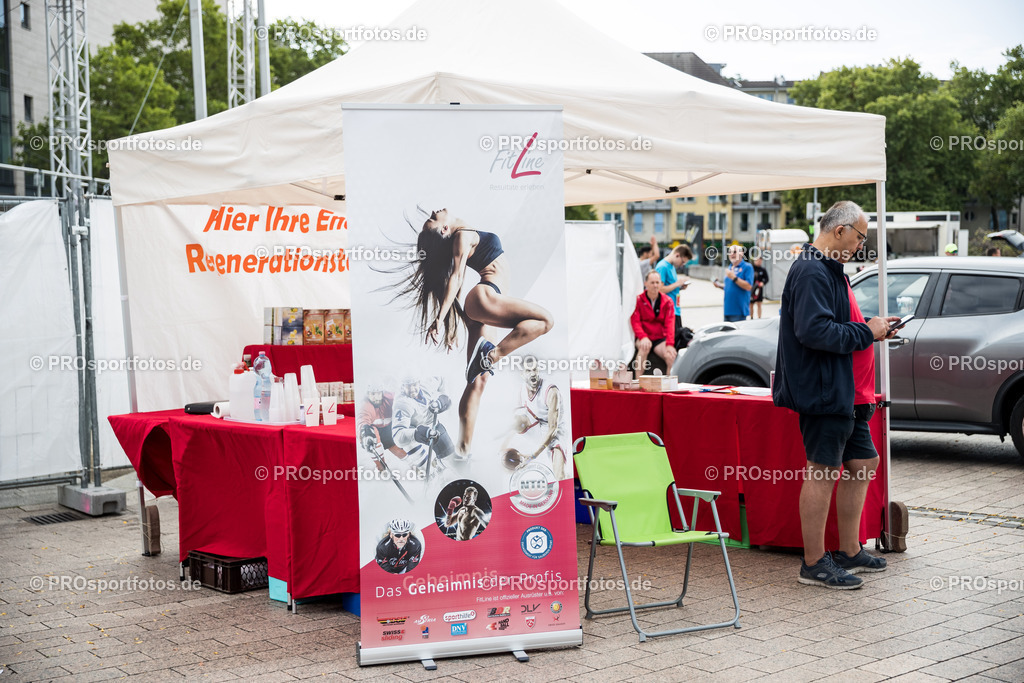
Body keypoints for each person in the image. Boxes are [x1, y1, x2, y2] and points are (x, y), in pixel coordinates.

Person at [773, 200, 900, 590]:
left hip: (848, 393)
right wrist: (868, 332)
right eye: (860, 236)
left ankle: (848, 550)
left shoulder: (829, 269)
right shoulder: (812, 269)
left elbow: (836, 325)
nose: (861, 245)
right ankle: (813, 563)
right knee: (823, 471)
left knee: (863, 463)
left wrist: (871, 328)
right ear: (840, 230)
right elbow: (815, 332)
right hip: (826, 392)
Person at [390, 208, 554, 458]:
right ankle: (491, 355)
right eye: (434, 219)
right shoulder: (462, 236)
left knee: (477, 381)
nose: (435, 211)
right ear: (445, 229)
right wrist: (440, 319)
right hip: (485, 297)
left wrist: (453, 323)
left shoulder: (461, 239)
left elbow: (458, 278)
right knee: (545, 320)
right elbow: (456, 278)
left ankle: (462, 451)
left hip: (481, 303)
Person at [508, 360, 569, 479]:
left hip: (555, 430)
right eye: (528, 370)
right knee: (513, 420)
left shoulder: (551, 391)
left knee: (560, 476)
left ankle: (566, 475)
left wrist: (533, 455)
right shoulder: (521, 390)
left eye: (535, 369)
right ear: (522, 374)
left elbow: (553, 429)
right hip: (538, 425)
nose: (533, 373)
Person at [392, 376, 455, 473]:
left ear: (419, 382)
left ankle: (440, 467)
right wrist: (416, 434)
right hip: (412, 435)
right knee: (427, 470)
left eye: (414, 384)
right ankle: (431, 480)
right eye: (408, 386)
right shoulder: (402, 403)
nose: (412, 389)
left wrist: (444, 398)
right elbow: (398, 437)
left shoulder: (427, 386)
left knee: (450, 458)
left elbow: (442, 379)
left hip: (432, 426)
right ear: (402, 387)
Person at [630, 270, 677, 376]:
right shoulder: (638, 300)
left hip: (659, 338)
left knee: (671, 355)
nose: (655, 285)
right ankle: (639, 381)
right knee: (644, 347)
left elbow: (670, 324)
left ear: (661, 283)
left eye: (657, 282)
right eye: (652, 283)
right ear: (645, 283)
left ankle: (669, 385)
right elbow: (635, 321)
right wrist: (643, 337)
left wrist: (669, 344)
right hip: (644, 336)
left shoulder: (668, 301)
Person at [358, 384, 408, 464]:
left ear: (382, 393)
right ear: (368, 394)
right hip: (375, 431)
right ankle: (382, 468)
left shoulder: (390, 398)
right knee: (371, 433)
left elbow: (402, 400)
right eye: (373, 394)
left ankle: (415, 465)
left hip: (388, 429)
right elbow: (362, 418)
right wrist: (365, 431)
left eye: (378, 393)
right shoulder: (365, 404)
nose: (376, 397)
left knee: (398, 450)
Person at [654, 244, 693, 347]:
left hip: (675, 309)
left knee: (678, 340)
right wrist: (678, 283)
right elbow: (659, 290)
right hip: (668, 310)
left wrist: (680, 287)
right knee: (673, 342)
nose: (682, 265)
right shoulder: (662, 267)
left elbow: (669, 286)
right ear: (677, 255)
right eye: (682, 261)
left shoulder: (670, 267)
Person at [713, 245, 754, 322]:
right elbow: (730, 287)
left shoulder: (747, 267)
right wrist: (719, 285)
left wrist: (734, 277)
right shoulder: (730, 267)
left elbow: (748, 286)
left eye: (735, 252)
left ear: (741, 253)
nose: (732, 254)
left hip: (739, 311)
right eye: (730, 252)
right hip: (727, 310)